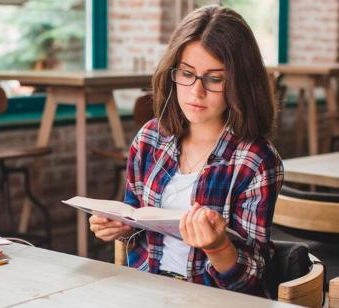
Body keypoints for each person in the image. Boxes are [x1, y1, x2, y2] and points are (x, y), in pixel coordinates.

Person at [89, 5, 283, 296]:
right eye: (187, 73)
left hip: (214, 299)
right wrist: (118, 226)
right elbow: (135, 218)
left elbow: (253, 279)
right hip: (144, 291)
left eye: (214, 79)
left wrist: (218, 247)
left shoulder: (256, 160)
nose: (196, 91)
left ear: (240, 82)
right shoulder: (150, 138)